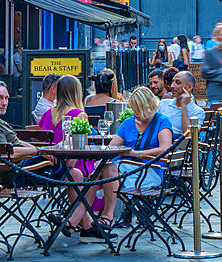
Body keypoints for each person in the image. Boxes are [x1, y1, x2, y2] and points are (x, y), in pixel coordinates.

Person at [96, 86, 175, 232]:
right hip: (125, 170)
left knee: (104, 172)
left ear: (146, 107)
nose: (134, 113)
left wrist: (135, 154)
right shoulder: (128, 123)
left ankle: (102, 217)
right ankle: (83, 219)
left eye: (137, 109)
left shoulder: (161, 121)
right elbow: (112, 149)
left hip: (150, 172)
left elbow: (165, 150)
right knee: (100, 172)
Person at [36, 75, 96, 237]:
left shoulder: (47, 114)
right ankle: (74, 223)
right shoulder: (79, 115)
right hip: (71, 166)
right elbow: (79, 150)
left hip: (49, 168)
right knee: (98, 175)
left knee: (89, 174)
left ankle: (87, 225)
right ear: (76, 92)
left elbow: (40, 143)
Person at [158, 71, 206, 138]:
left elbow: (189, 136)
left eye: (178, 83)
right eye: (172, 82)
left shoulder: (198, 112)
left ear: (189, 87)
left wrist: (183, 106)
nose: (172, 86)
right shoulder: (163, 103)